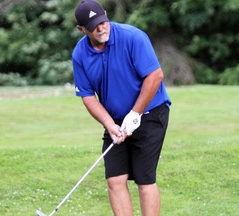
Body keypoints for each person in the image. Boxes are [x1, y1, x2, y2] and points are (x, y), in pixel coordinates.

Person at [72, 0, 171, 215]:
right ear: (81, 29)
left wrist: (135, 114)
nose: (101, 28)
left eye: (102, 22)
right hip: (115, 120)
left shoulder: (132, 37)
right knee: (115, 179)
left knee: (145, 179)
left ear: (106, 15)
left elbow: (155, 76)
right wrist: (109, 124)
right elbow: (88, 96)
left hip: (150, 113)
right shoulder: (80, 54)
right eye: (93, 26)